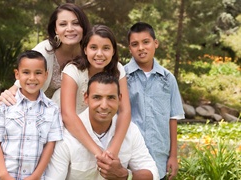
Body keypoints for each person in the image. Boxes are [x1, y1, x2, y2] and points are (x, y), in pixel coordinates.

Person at [45, 72, 160, 180]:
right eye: (97, 97)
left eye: (111, 98)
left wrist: (125, 175)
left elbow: (153, 173)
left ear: (119, 99)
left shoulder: (130, 130)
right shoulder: (66, 136)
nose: (104, 106)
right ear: (86, 98)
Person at [0, 50, 63, 180]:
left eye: (38, 73)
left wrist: (36, 176)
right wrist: (3, 174)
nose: (32, 78)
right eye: (26, 72)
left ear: (45, 75)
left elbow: (50, 145)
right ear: (17, 74)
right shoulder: (5, 104)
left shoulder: (52, 108)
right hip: (3, 176)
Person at [124, 22, 185, 180]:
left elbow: (173, 118)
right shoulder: (122, 76)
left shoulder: (168, 79)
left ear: (155, 43)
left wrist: (173, 156)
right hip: (130, 158)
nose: (141, 48)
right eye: (135, 44)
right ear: (130, 48)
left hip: (160, 157)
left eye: (146, 42)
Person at [59, 24, 131, 157]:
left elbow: (125, 110)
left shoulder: (118, 69)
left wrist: (112, 151)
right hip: (70, 130)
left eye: (106, 48)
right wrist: (98, 152)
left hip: (101, 127)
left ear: (113, 51)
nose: (99, 54)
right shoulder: (72, 71)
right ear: (85, 49)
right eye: (93, 48)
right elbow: (68, 115)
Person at [0, 3, 90, 103]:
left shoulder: (91, 52)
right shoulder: (44, 50)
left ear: (83, 27)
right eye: (63, 24)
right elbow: (20, 84)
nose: (70, 29)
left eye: (76, 23)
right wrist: (7, 96)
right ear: (56, 30)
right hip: (38, 111)